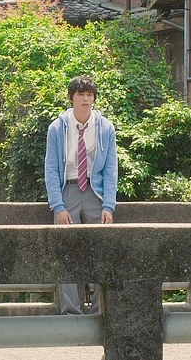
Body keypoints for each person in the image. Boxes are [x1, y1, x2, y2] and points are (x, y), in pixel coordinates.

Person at [44, 76, 118, 315]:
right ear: (71, 98)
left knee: (102, 250)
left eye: (90, 95)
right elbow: (51, 168)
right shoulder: (57, 128)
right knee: (65, 250)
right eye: (81, 95)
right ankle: (70, 312)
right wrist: (58, 206)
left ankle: (99, 310)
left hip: (95, 192)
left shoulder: (105, 127)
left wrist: (109, 205)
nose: (86, 99)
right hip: (69, 189)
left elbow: (111, 168)